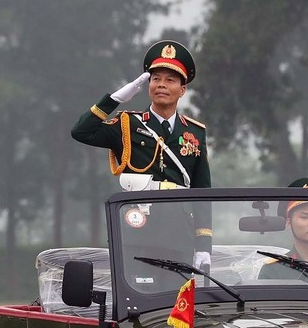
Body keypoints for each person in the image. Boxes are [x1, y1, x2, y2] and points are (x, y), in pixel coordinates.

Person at [71, 40, 212, 269]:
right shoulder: (127, 124)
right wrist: (113, 100)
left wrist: (204, 244)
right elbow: (81, 132)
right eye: (155, 79)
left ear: (182, 90)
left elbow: (202, 192)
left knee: (177, 302)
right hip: (136, 232)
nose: (161, 85)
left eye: (170, 80)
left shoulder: (195, 133)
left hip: (179, 235)